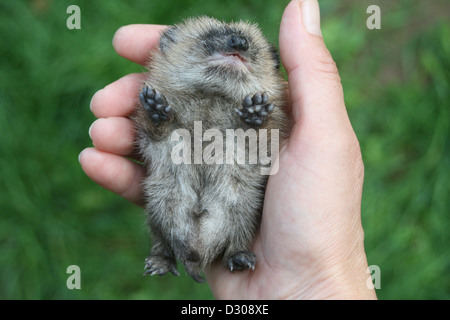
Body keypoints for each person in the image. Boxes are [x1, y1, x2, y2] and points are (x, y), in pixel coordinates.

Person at [79, 0, 377, 299]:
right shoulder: (170, 93)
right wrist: (158, 121)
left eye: (251, 48)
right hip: (176, 189)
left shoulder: (258, 106)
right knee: (164, 197)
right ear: (170, 47)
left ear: (269, 70)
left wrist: (255, 124)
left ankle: (235, 249)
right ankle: (163, 252)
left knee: (237, 203)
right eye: (210, 42)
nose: (237, 44)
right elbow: (156, 142)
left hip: (227, 203)